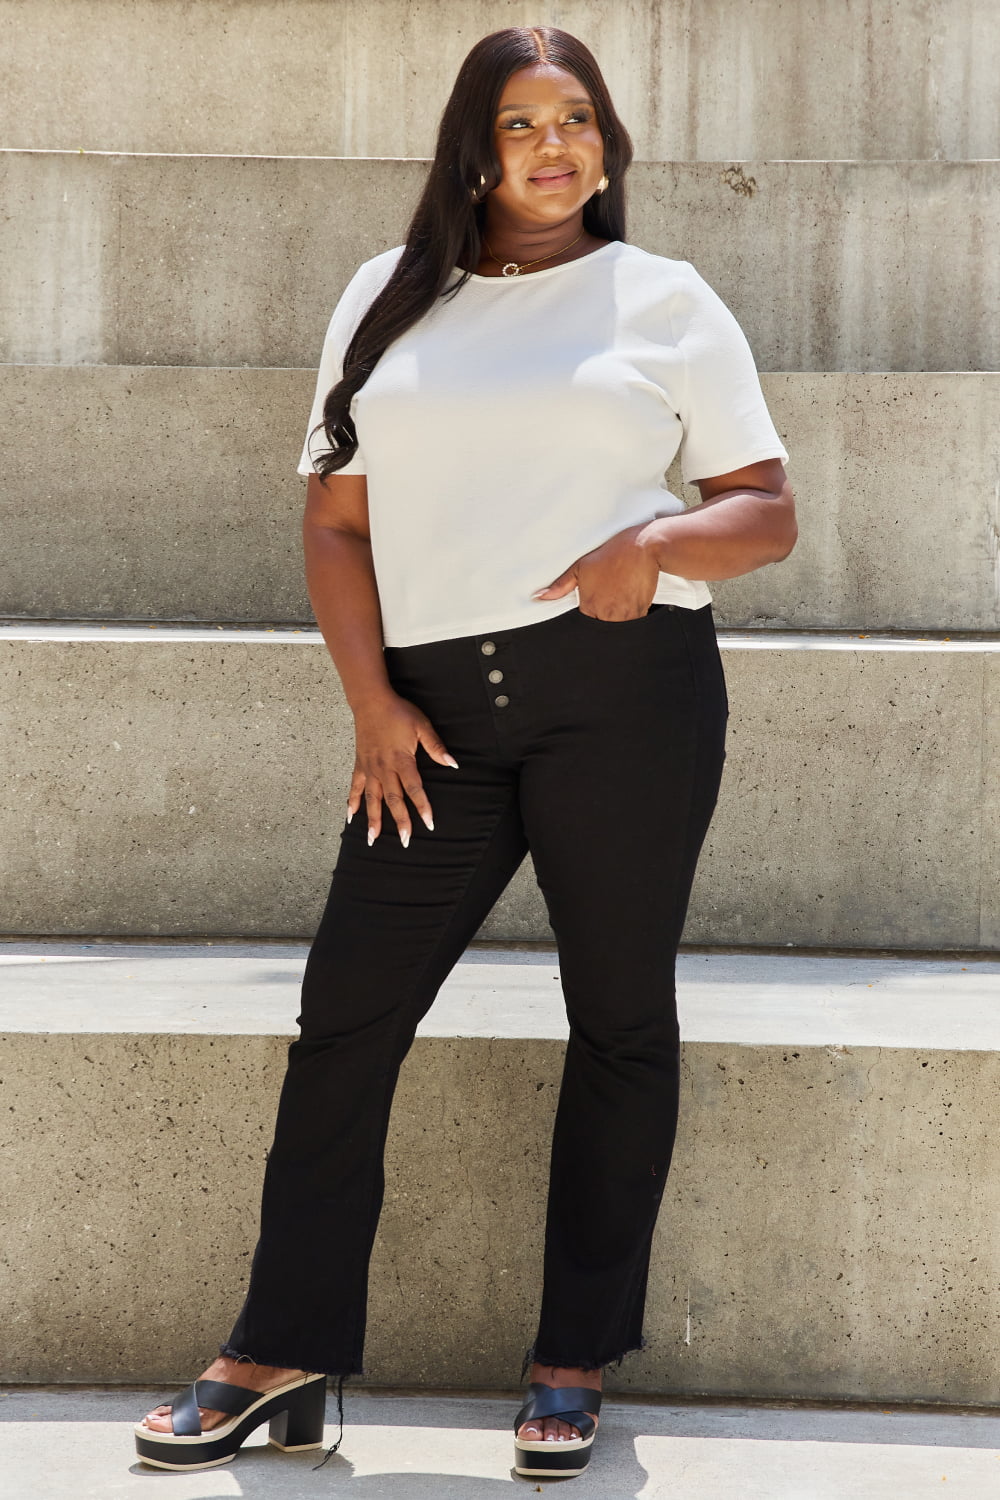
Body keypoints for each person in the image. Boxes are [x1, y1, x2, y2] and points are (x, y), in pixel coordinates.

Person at [134, 23, 795, 1481]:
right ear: (471, 148)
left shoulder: (663, 298)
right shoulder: (387, 295)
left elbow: (765, 507)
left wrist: (660, 541)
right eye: (519, 123)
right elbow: (333, 514)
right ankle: (278, 1349)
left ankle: (572, 1359)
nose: (554, 147)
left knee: (620, 1017)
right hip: (432, 712)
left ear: (608, 145)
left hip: (628, 695)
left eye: (576, 121)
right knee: (346, 1017)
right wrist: (372, 704)